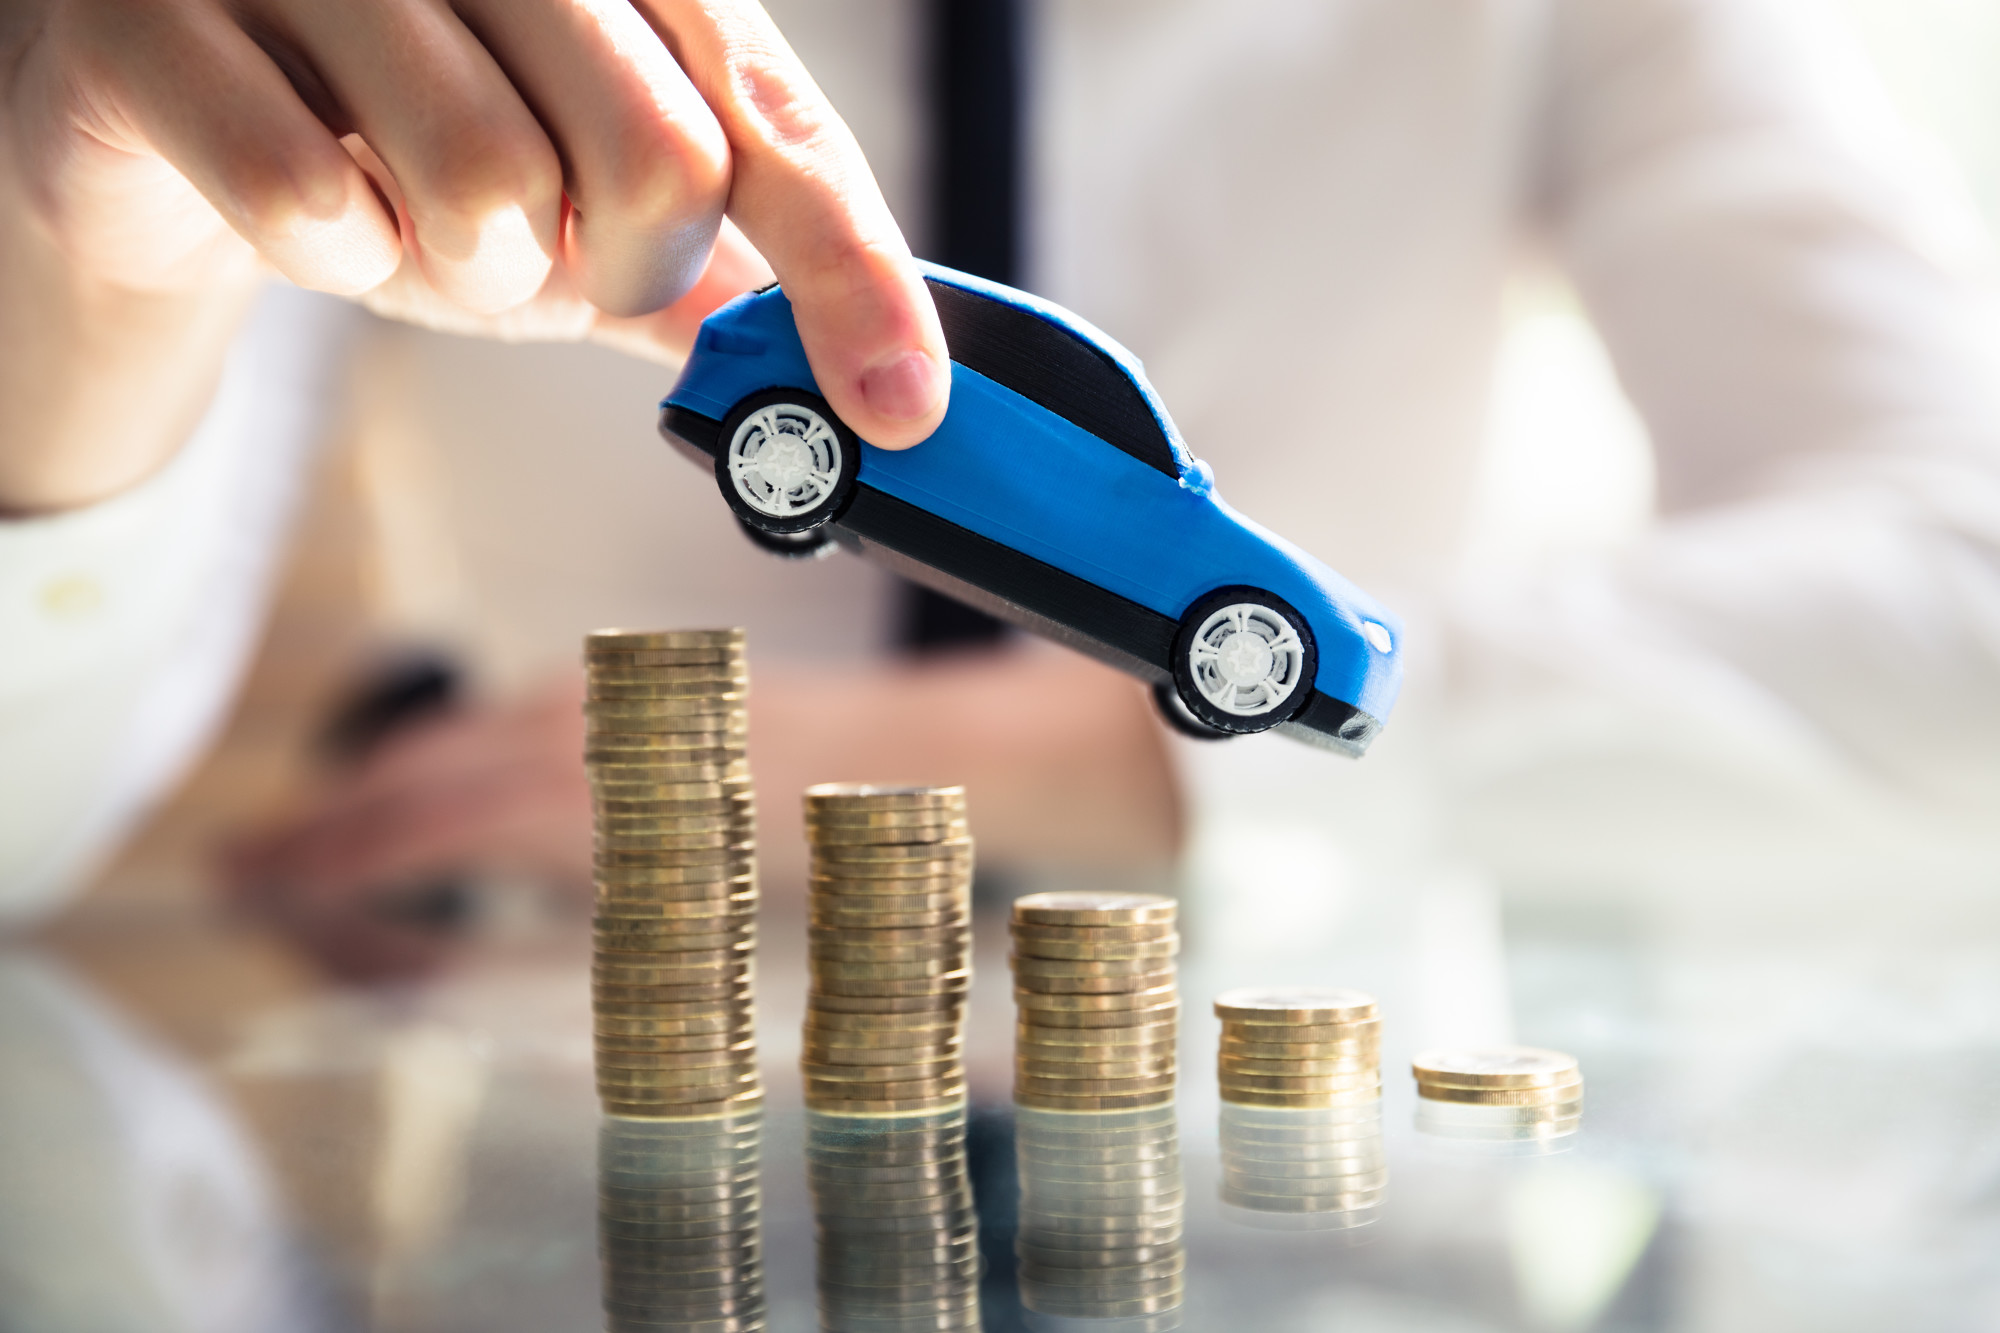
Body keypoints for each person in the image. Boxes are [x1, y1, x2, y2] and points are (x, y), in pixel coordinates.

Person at [6, 0, 2000, 928]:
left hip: (1325, 1187)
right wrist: (81, 269)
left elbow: (1967, 610)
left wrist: (1033, 762)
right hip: (614, 1177)